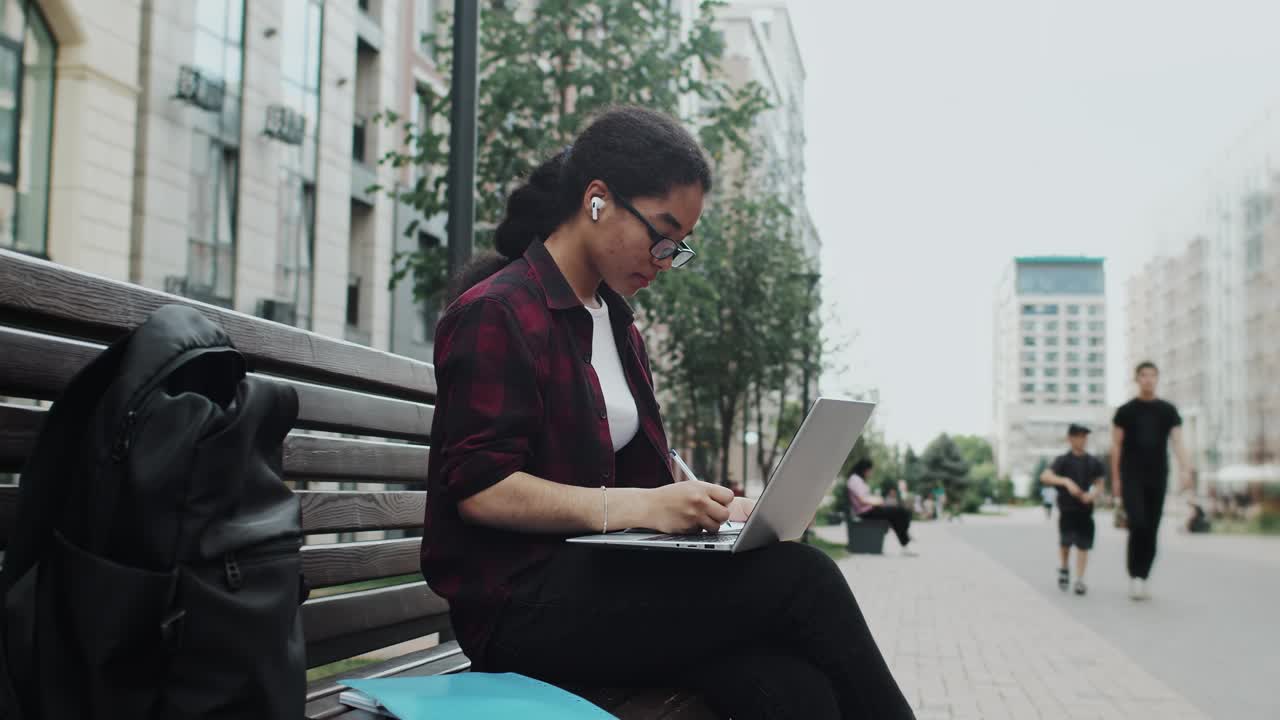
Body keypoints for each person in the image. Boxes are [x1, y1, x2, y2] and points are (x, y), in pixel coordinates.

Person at [420, 107, 913, 720]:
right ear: (597, 199)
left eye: (679, 246)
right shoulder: (499, 312)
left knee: (791, 688)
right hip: (521, 609)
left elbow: (645, 477)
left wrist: (716, 508)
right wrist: (642, 507)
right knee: (803, 580)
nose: (664, 257)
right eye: (662, 232)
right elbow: (481, 489)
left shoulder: (618, 325)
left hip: (607, 590)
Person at [1111, 361, 1192, 601]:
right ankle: (1135, 575)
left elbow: (1178, 442)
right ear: (1137, 379)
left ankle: (1143, 576)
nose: (1148, 380)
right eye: (1144, 375)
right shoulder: (1125, 411)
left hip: (1158, 475)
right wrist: (1116, 479)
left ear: (1157, 379)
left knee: (1153, 528)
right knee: (1138, 523)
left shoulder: (1168, 410)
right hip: (1131, 476)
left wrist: (1186, 469)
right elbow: (1115, 446)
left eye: (1152, 376)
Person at [1039, 424, 1105, 596]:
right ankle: (1064, 567)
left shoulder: (1093, 461)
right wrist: (1066, 482)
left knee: (1083, 546)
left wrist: (1092, 495)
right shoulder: (1063, 460)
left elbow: (1099, 483)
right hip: (1067, 510)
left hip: (1085, 510)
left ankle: (1080, 579)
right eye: (1078, 436)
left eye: (1084, 436)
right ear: (1070, 439)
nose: (1082, 440)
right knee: (1065, 543)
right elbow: (1045, 476)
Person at [846, 459, 916, 556]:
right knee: (899, 513)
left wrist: (878, 500)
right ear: (864, 470)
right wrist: (878, 501)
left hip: (869, 510)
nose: (870, 474)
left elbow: (865, 497)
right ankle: (905, 540)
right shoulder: (854, 480)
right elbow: (862, 500)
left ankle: (905, 540)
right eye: (870, 471)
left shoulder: (857, 480)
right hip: (866, 512)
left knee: (899, 514)